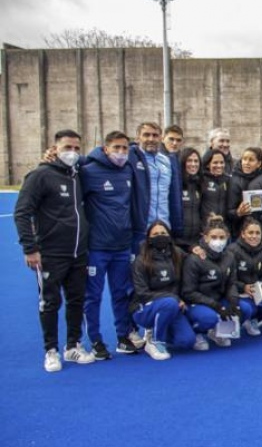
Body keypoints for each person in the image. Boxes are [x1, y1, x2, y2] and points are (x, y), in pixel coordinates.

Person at [15, 129, 95, 371]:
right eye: (67, 148)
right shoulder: (40, 175)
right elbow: (22, 213)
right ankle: (50, 350)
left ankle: (73, 346)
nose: (72, 153)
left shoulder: (77, 175)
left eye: (76, 149)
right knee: (50, 302)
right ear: (55, 148)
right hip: (50, 253)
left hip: (78, 253)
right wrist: (30, 249)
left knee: (76, 300)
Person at [80, 131, 145, 360]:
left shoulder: (128, 170)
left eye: (124, 148)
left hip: (122, 246)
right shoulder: (88, 171)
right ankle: (96, 341)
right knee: (93, 295)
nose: (121, 153)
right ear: (105, 149)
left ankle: (123, 337)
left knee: (121, 293)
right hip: (97, 247)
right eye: (116, 148)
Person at [130, 221, 197, 360]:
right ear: (148, 238)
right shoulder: (141, 260)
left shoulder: (177, 253)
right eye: (155, 234)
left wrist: (197, 250)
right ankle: (155, 341)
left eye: (163, 233)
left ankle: (158, 329)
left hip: (172, 306)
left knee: (187, 341)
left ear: (169, 236)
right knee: (169, 303)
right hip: (144, 307)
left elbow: (194, 262)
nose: (160, 236)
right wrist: (174, 298)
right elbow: (142, 293)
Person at [181, 215, 239, 351]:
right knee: (208, 318)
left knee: (244, 309)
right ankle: (197, 333)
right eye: (213, 237)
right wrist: (216, 305)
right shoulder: (194, 259)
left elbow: (231, 283)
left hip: (218, 299)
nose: (218, 241)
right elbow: (188, 292)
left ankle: (217, 332)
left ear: (227, 237)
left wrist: (234, 302)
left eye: (221, 237)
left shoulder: (229, 256)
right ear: (205, 237)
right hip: (197, 303)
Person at [129, 122, 183, 247]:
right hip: (141, 228)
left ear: (161, 138)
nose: (151, 139)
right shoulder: (131, 157)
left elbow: (173, 194)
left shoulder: (166, 160)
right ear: (138, 137)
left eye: (155, 135)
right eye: (146, 135)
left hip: (164, 227)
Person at [227, 217, 262, 336]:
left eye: (257, 233)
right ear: (243, 234)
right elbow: (228, 279)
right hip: (237, 292)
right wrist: (244, 287)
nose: (254, 236)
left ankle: (253, 320)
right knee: (248, 309)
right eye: (250, 232)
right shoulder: (232, 251)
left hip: (256, 290)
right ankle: (230, 326)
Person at [228, 147, 262, 236]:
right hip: (240, 231)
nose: (246, 163)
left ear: (259, 164)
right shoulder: (235, 181)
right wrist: (238, 213)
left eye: (251, 160)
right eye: (244, 159)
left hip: (261, 231)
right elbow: (228, 212)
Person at [177, 147, 203, 250]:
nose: (193, 164)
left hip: (195, 240)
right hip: (178, 241)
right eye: (189, 161)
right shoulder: (177, 184)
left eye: (196, 161)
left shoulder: (199, 184)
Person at [200, 148, 230, 223]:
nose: (219, 165)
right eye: (215, 163)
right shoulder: (201, 180)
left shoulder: (228, 180)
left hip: (223, 226)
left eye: (222, 162)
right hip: (206, 225)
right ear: (207, 164)